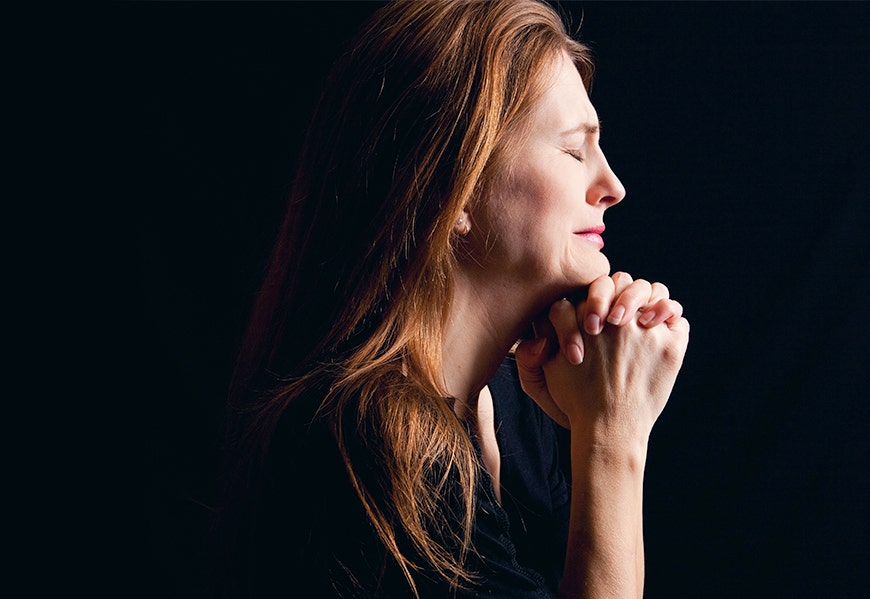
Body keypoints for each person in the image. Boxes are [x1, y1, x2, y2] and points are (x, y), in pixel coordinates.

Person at [216, 1, 689, 597]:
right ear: (454, 191)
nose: (612, 187)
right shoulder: (369, 443)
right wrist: (614, 439)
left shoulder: (516, 404)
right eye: (573, 151)